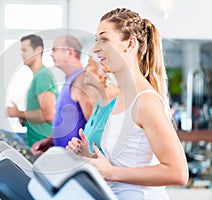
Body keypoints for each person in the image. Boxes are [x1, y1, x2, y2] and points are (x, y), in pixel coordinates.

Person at [87, 8, 188, 199]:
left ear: (130, 43)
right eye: (96, 40)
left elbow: (178, 173)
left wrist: (111, 172)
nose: (95, 48)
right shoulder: (120, 99)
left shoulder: (145, 101)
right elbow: (126, 165)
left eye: (104, 39)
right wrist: (93, 158)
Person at [30, 35, 97, 155]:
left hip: (76, 161)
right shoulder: (69, 81)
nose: (51, 54)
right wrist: (51, 141)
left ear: (69, 52)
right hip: (64, 157)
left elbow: (94, 126)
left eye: (55, 49)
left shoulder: (82, 80)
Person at [6, 34, 58, 147]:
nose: (22, 54)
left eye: (25, 50)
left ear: (38, 50)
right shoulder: (38, 76)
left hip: (41, 146)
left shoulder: (42, 76)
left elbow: (48, 115)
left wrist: (18, 113)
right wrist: (24, 118)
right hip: (34, 142)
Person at [66, 55, 120, 157]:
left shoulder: (117, 106)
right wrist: (78, 149)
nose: (85, 69)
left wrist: (86, 155)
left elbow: (116, 159)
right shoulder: (100, 102)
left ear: (104, 73)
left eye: (89, 64)